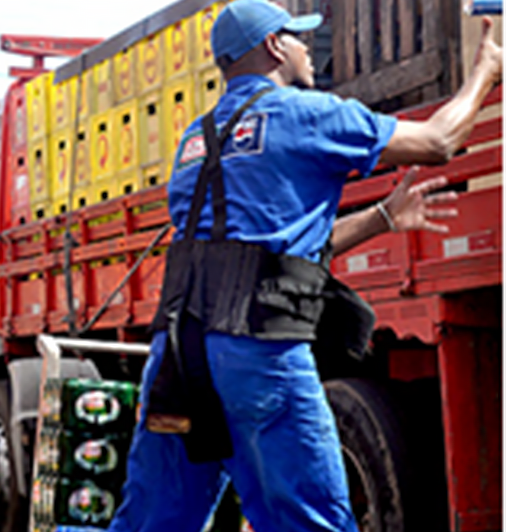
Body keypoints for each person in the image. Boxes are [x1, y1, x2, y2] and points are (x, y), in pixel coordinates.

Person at [106, 1, 502, 531]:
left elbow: (271, 253)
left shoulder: (196, 141)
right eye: (298, 36)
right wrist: (486, 70)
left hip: (177, 358)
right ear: (274, 46)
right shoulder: (305, 113)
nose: (308, 48)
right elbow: (438, 141)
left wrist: (384, 216)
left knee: (155, 521)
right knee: (310, 522)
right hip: (258, 357)